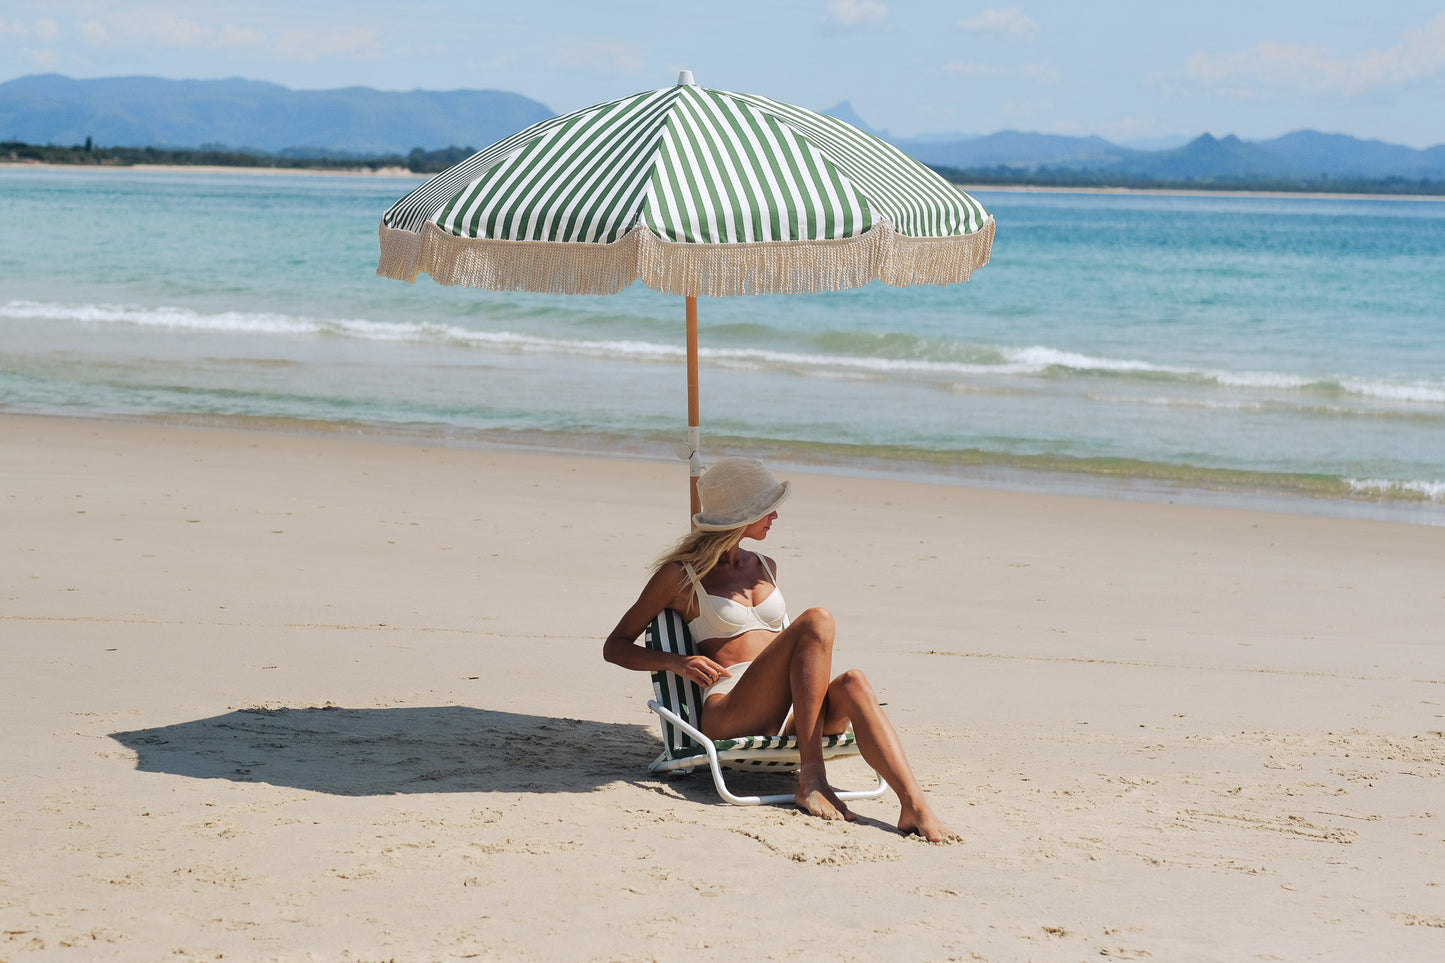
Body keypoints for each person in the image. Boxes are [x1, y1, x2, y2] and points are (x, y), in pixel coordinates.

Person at [604, 457, 956, 842]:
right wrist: (677, 661)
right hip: (732, 707)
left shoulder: (766, 565)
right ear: (742, 514)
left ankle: (914, 805)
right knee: (818, 619)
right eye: (766, 508)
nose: (774, 515)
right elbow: (616, 646)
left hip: (793, 712)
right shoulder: (679, 576)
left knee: (854, 681)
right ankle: (813, 775)